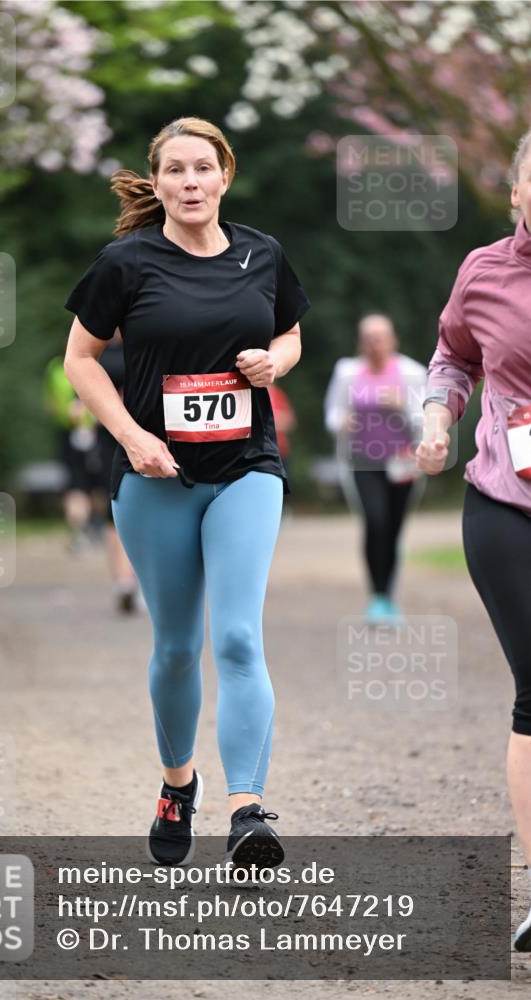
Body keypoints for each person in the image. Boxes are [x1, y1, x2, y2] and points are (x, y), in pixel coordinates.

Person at [63, 116, 310, 869]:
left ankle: (246, 810)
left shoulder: (262, 253)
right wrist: (132, 437)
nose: (191, 181)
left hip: (246, 466)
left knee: (237, 637)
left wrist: (275, 362)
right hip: (155, 476)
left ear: (225, 175)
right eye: (175, 170)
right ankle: (178, 786)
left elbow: (292, 333)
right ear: (158, 182)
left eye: (203, 168)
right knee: (176, 646)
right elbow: (80, 360)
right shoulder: (126, 263)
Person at [416, 129, 531, 952]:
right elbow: (451, 357)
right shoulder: (484, 272)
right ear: (516, 192)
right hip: (507, 505)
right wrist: (436, 418)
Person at [324, 315, 426, 623]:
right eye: (368, 337)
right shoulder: (347, 372)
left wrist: (402, 404)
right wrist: (342, 422)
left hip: (402, 463)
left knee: (393, 528)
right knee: (375, 521)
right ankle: (377, 596)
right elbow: (332, 413)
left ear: (393, 340)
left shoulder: (411, 373)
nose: (375, 343)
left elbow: (427, 418)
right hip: (362, 462)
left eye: (380, 337)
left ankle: (388, 595)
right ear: (361, 342)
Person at [95, 333, 140, 614]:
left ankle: (123, 580)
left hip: (109, 442)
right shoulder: (144, 350)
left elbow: (79, 408)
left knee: (114, 511)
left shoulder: (95, 358)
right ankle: (138, 581)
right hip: (149, 438)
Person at [43, 355, 99, 554]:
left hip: (68, 432)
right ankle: (97, 528)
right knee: (98, 483)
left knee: (75, 484)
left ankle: (79, 533)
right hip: (98, 431)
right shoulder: (99, 362)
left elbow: (50, 405)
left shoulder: (56, 367)